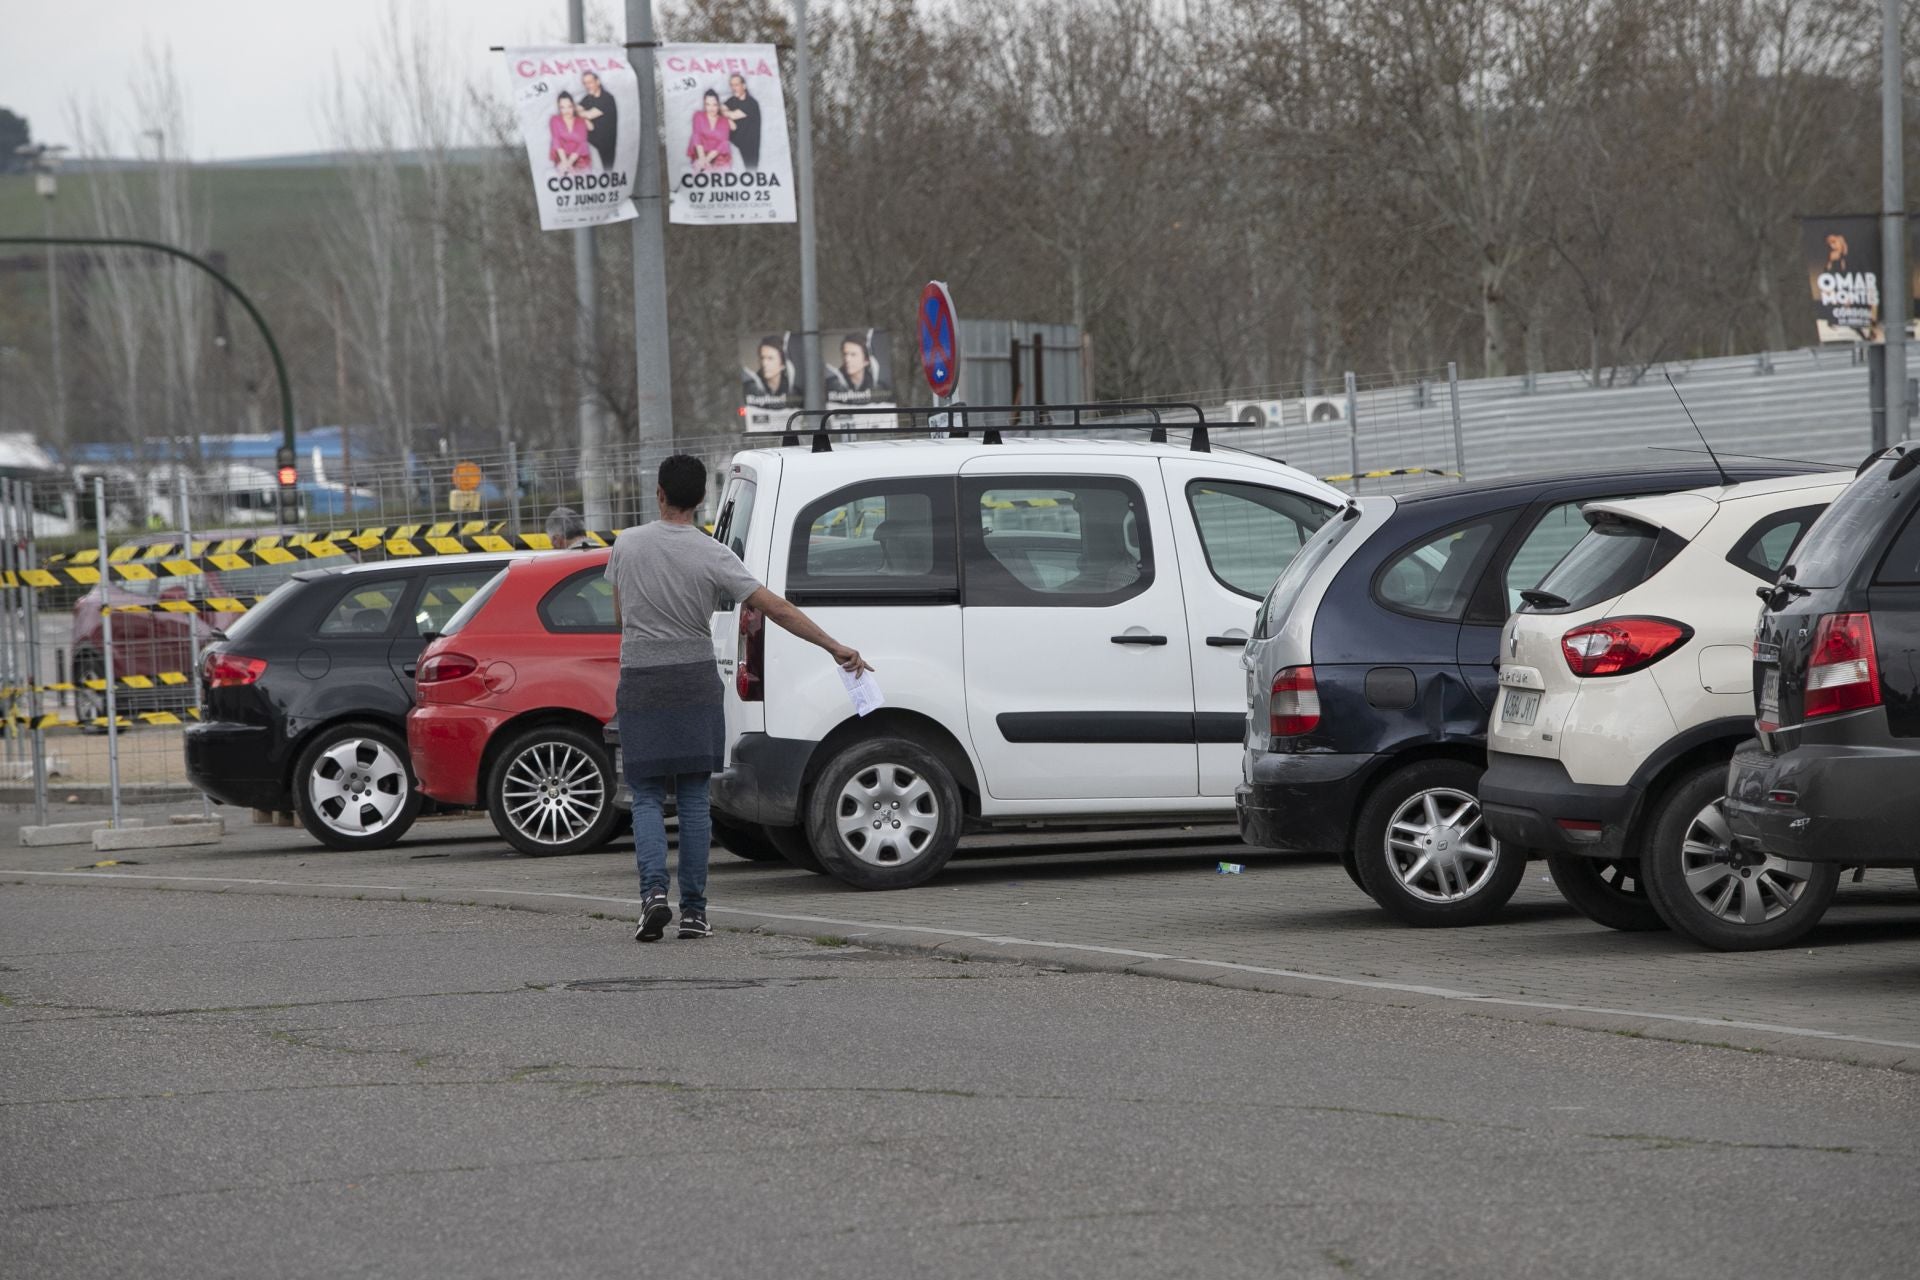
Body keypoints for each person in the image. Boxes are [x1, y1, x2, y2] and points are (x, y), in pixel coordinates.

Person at [607, 454, 870, 942]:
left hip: (641, 680)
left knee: (645, 794)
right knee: (691, 797)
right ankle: (695, 912)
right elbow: (776, 608)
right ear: (703, 501)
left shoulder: (626, 546)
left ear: (659, 495)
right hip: (694, 680)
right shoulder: (713, 554)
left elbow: (621, 620)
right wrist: (835, 647)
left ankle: (651, 897)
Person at [578, 71, 618, 173]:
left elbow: (589, 114)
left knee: (607, 172)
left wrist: (584, 117)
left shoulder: (607, 98)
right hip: (592, 139)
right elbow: (575, 110)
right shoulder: (588, 98)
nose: (587, 86)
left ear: (598, 82)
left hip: (605, 144)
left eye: (590, 82)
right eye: (585, 83)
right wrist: (584, 119)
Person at [742, 336, 798, 406]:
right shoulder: (750, 387)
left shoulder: (793, 391)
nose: (764, 363)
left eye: (770, 358)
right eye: (762, 358)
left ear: (783, 364)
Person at [721, 73, 762, 169]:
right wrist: (727, 116)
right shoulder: (733, 100)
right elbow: (720, 108)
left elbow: (733, 115)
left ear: (744, 86)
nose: (733, 88)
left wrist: (727, 115)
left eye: (736, 85)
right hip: (735, 141)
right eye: (732, 85)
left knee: (751, 171)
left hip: (749, 146)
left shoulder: (751, 103)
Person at [687, 89, 732, 174]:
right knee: (700, 176)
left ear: (718, 105)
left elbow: (723, 142)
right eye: (708, 104)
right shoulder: (698, 116)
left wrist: (707, 160)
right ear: (704, 105)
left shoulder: (724, 120)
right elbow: (696, 136)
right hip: (701, 153)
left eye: (714, 105)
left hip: (718, 155)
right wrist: (702, 159)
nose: (711, 108)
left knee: (722, 178)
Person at [549, 91, 592, 174]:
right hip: (562, 157)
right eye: (562, 107)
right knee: (561, 175)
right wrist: (565, 162)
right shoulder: (554, 120)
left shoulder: (581, 122)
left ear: (573, 106)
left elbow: (582, 144)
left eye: (569, 106)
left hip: (580, 158)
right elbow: (556, 140)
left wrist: (569, 163)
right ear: (559, 107)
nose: (566, 110)